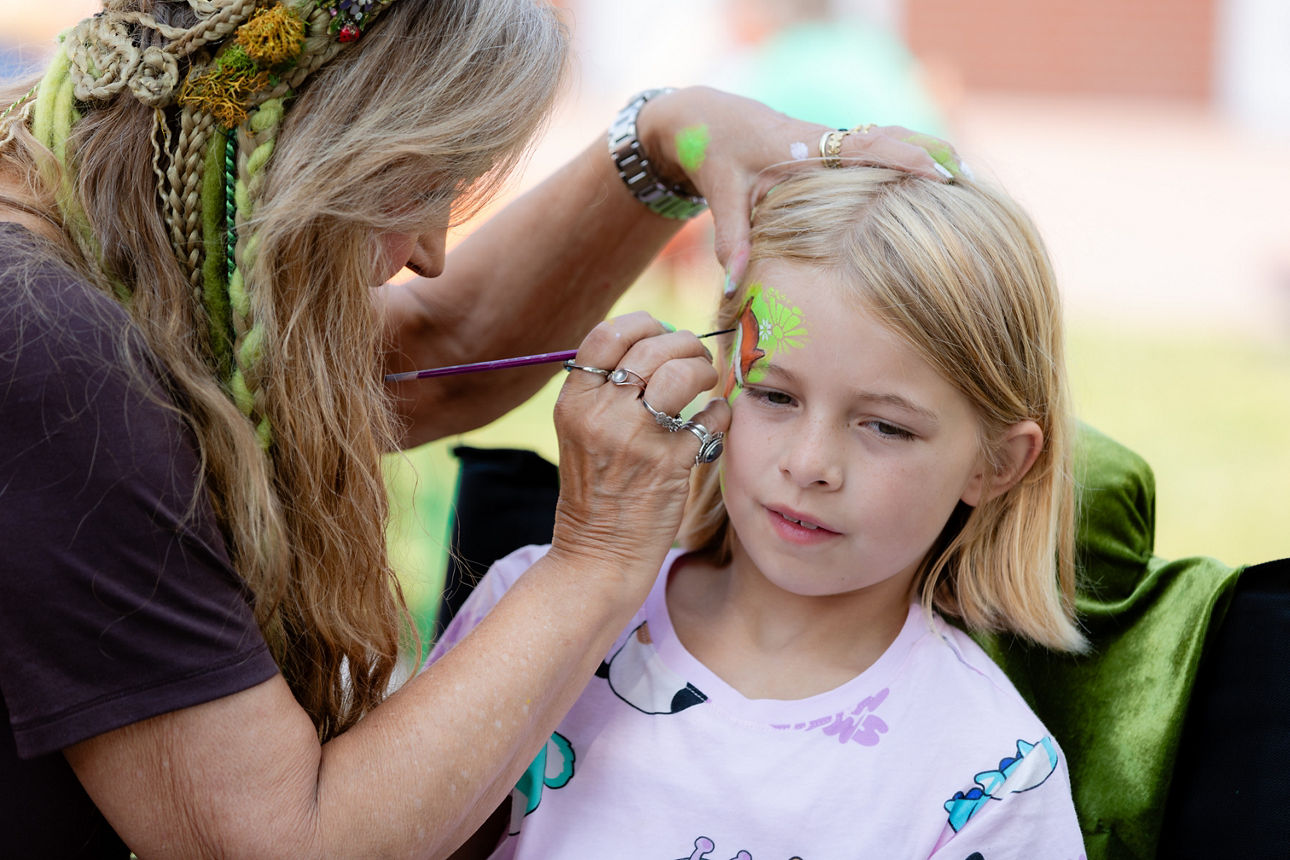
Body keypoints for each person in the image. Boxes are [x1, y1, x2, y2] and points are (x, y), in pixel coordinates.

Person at [0, 0, 958, 855]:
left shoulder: (104, 248)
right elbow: (281, 842)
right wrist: (599, 553)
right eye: (421, 187)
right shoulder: (55, 356)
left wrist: (664, 142)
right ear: (305, 145)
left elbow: (426, 349)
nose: (429, 252)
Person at [426, 166, 1089, 858]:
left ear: (996, 464)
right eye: (774, 396)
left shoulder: (993, 776)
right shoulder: (535, 610)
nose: (808, 464)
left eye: (886, 428)